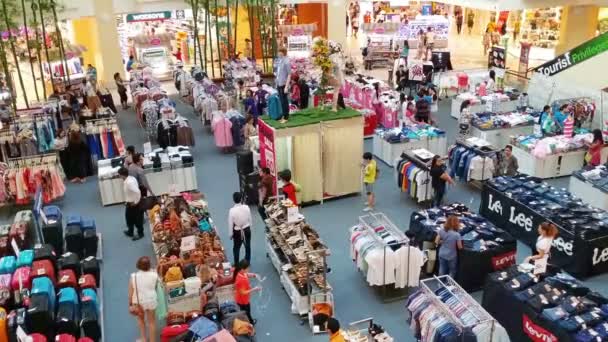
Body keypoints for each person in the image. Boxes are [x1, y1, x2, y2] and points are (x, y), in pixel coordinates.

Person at [128, 256, 158, 342]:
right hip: (151, 300)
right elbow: (155, 287)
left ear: (138, 265)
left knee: (141, 320)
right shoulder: (154, 275)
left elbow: (130, 293)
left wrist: (130, 304)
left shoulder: (133, 276)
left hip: (138, 302)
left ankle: (143, 339)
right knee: (152, 322)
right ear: (149, 265)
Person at [119, 167, 144, 240]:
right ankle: (130, 231)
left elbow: (138, 192)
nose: (119, 176)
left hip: (134, 204)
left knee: (137, 220)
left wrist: (136, 202)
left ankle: (140, 234)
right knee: (129, 218)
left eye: (119, 175)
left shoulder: (129, 182)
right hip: (129, 203)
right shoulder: (130, 178)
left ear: (122, 175)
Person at [233, 259, 261, 324]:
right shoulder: (241, 280)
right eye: (247, 269)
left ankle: (248, 320)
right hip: (243, 300)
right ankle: (250, 322)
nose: (248, 270)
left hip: (242, 298)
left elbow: (247, 274)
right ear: (242, 269)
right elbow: (243, 292)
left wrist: (254, 275)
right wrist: (254, 289)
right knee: (247, 312)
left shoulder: (240, 273)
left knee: (245, 311)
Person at [228, 192, 252, 264]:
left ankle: (236, 263)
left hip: (237, 231)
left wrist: (230, 234)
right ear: (241, 199)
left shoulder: (232, 210)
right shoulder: (246, 207)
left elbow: (230, 223)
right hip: (246, 228)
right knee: (247, 246)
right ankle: (247, 261)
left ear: (233, 200)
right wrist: (250, 227)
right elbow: (250, 219)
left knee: (236, 248)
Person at [275, 47, 291, 123]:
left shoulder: (286, 61)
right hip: (279, 83)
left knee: (284, 101)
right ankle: (283, 115)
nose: (278, 53)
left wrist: (286, 86)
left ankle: (286, 116)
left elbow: (289, 74)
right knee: (281, 101)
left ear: (283, 52)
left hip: (284, 84)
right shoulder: (280, 60)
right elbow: (278, 73)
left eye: (279, 52)